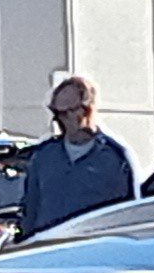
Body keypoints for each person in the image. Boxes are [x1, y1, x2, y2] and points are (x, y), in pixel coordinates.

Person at [14, 77, 136, 236]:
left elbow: (130, 214)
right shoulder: (43, 156)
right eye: (57, 113)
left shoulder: (117, 157)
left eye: (68, 112)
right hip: (49, 249)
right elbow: (30, 212)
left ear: (87, 110)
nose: (61, 119)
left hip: (93, 249)